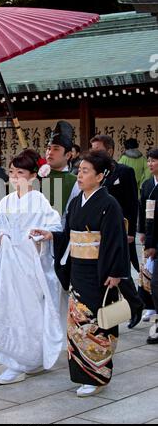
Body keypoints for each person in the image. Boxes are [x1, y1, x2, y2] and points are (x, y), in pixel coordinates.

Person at [31, 151, 130, 397]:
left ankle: (97, 374)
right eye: (80, 170)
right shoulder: (77, 202)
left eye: (86, 171)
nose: (80, 175)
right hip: (78, 270)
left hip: (99, 272)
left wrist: (116, 272)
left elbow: (116, 241)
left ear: (99, 176)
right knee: (77, 324)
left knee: (95, 324)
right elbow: (70, 234)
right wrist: (53, 236)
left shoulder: (109, 205)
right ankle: (83, 372)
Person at [0, 149, 67, 385]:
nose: (14, 176)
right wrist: (2, 239)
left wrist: (38, 239)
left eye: (20, 172)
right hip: (9, 266)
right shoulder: (7, 201)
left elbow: (53, 226)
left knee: (30, 312)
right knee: (10, 310)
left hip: (31, 264)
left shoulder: (39, 200)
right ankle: (15, 359)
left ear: (32, 176)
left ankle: (29, 359)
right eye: (12, 171)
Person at [90, 134, 144, 329]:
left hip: (120, 230)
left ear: (110, 151)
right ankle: (131, 304)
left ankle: (135, 304)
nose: (94, 153)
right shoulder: (92, 173)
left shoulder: (124, 172)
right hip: (97, 231)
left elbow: (132, 203)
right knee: (109, 270)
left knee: (121, 269)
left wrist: (131, 231)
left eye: (99, 150)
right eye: (92, 150)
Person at [45, 121, 79, 227]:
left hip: (62, 236)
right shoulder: (38, 177)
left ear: (68, 155)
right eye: (48, 148)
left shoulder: (75, 182)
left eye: (56, 149)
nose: (50, 152)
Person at [139, 148, 158, 335]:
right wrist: (142, 231)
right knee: (148, 275)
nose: (150, 164)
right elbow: (142, 209)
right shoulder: (146, 185)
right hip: (150, 232)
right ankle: (150, 305)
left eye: (154, 161)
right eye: (149, 161)